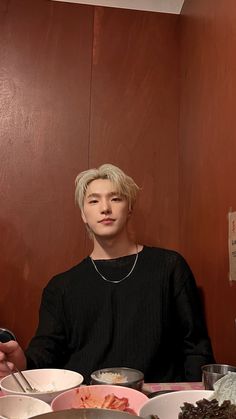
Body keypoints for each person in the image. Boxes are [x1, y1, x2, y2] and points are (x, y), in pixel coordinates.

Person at [0, 163, 214, 383]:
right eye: (94, 201)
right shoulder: (61, 287)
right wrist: (20, 364)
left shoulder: (169, 267)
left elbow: (195, 347)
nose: (105, 208)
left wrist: (198, 400)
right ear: (83, 214)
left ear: (129, 208)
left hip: (155, 405)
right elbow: (45, 353)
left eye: (115, 198)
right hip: (84, 404)